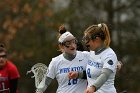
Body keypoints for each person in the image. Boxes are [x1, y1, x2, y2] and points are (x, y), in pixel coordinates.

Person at [36, 25, 88, 93]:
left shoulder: (86, 56)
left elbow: (96, 73)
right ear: (61, 46)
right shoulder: (55, 61)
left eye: (73, 41)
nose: (72, 45)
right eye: (68, 43)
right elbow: (45, 83)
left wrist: (79, 74)